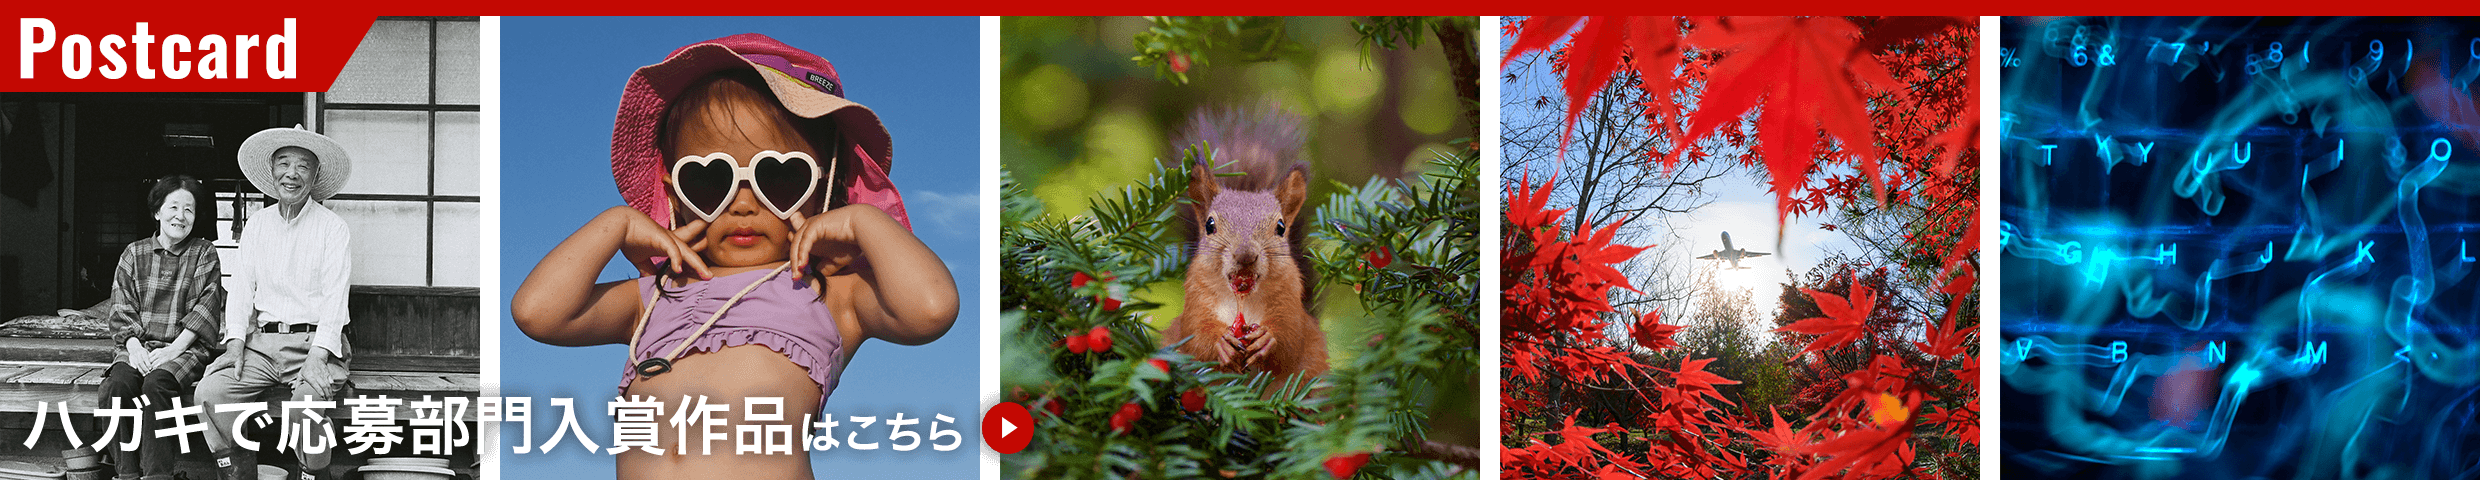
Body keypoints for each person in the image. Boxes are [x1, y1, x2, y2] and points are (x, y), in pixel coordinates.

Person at [511, 34, 958, 480]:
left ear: (824, 186)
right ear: (674, 193)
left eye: (780, 177)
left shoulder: (829, 295)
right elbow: (538, 314)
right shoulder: (654, 298)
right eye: (709, 181)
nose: (744, 204)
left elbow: (930, 310)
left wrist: (864, 221)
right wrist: (617, 223)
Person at [195, 126, 354, 480]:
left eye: (303, 166)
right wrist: (235, 343)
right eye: (284, 163)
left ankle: (314, 473)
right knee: (210, 393)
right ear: (272, 170)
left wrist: (318, 357)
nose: (291, 174)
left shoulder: (333, 228)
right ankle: (239, 474)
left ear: (315, 176)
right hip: (263, 346)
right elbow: (241, 289)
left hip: (315, 345)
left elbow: (335, 299)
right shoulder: (257, 225)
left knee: (305, 410)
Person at [91, 174, 223, 480]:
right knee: (116, 386)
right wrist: (134, 347)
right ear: (157, 212)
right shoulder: (133, 253)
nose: (181, 216)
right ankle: (126, 474)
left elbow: (206, 306)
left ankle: (157, 476)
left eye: (189, 209)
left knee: (156, 385)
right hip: (138, 346)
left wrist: (173, 350)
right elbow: (121, 307)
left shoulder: (204, 252)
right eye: (173, 207)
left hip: (185, 349)